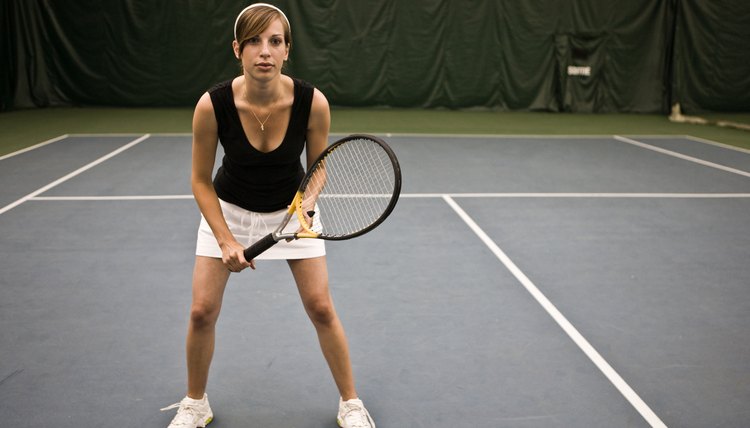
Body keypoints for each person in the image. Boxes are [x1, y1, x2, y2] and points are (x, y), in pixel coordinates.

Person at [161, 4, 376, 428]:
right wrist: (225, 239)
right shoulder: (212, 105)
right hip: (228, 210)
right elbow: (200, 181)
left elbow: (318, 168)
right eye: (255, 42)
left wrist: (308, 206)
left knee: (320, 307)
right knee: (202, 311)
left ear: (287, 50)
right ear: (237, 49)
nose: (265, 52)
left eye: (275, 41)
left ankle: (351, 404)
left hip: (292, 209)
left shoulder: (313, 103)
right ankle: (195, 403)